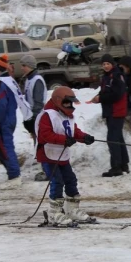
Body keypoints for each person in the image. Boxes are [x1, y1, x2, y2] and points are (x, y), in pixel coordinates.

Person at [35, 86, 95, 227]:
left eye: (71, 103)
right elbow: (45, 135)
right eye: (66, 102)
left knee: (70, 180)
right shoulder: (47, 115)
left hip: (62, 156)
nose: (69, 106)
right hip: (48, 156)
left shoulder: (66, 115)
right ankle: (54, 213)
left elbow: (73, 131)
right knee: (57, 182)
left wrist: (84, 137)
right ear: (58, 101)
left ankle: (71, 210)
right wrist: (64, 140)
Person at [89, 54, 129, 177]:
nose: (106, 66)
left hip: (116, 111)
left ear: (113, 64)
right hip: (111, 112)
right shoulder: (107, 77)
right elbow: (105, 91)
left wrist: (100, 98)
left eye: (108, 64)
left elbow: (116, 95)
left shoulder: (117, 76)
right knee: (118, 138)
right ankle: (123, 164)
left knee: (112, 139)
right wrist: (98, 96)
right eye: (104, 64)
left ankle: (116, 167)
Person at [0, 54, 22, 190]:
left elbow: (2, 104)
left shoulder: (1, 83)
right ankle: (13, 174)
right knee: (1, 148)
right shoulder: (8, 80)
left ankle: (14, 176)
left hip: (4, 121)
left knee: (4, 148)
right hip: (9, 118)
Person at [19, 54, 48, 181]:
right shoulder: (28, 79)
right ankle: (45, 169)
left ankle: (48, 171)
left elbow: (38, 102)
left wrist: (33, 118)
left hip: (38, 117)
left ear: (30, 66)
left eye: (24, 66)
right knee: (38, 144)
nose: (22, 68)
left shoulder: (37, 80)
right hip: (32, 116)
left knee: (42, 144)